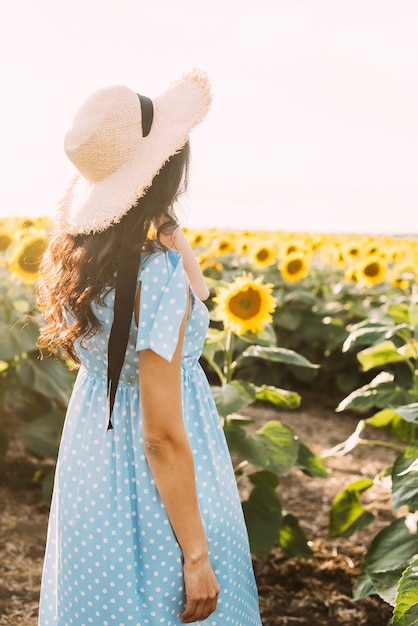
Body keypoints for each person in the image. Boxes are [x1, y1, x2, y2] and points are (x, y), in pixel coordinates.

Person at [36, 69, 263, 625]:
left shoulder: (73, 256)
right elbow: (161, 438)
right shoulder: (156, 276)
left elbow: (202, 292)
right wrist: (197, 554)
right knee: (176, 599)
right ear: (166, 169)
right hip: (154, 466)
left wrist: (162, 223)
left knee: (102, 602)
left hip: (94, 458)